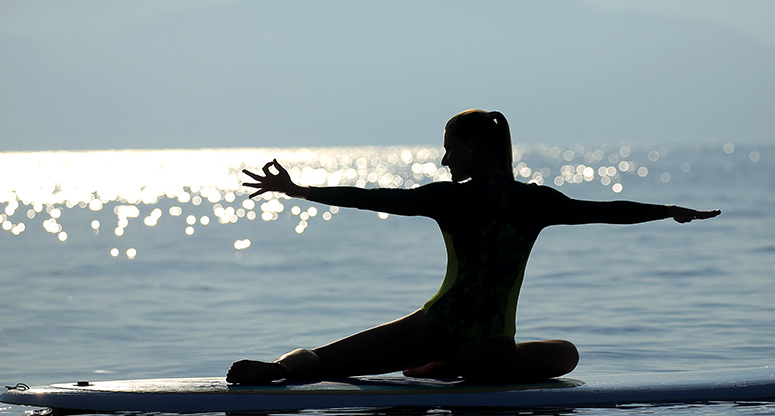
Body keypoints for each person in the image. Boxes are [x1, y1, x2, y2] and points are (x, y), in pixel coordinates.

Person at [226, 110, 719, 385]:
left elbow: (373, 198)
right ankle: (454, 367)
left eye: (449, 146)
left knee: (324, 360)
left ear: (473, 149)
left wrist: (301, 191)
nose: (443, 158)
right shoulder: (536, 202)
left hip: (434, 328)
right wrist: (668, 209)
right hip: (491, 346)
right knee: (567, 355)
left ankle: (277, 370)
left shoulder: (450, 199)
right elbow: (607, 211)